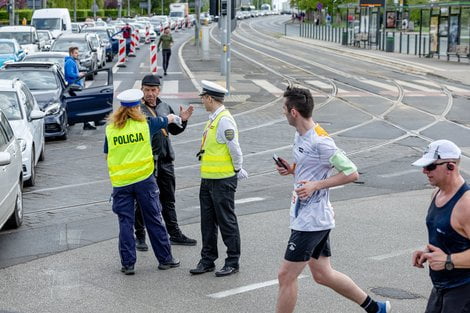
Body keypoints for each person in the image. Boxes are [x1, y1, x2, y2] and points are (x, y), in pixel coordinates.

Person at [274, 86, 391, 313]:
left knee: (285, 276)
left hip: (312, 220)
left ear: (294, 112)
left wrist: (316, 185)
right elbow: (311, 167)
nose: (283, 113)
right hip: (307, 214)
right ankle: (375, 308)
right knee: (322, 274)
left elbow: (352, 172)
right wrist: (292, 169)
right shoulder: (300, 135)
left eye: (284, 109)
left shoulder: (322, 142)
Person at [104, 88, 181, 275]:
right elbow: (167, 119)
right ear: (137, 107)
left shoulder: (110, 129)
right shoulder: (145, 124)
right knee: (154, 218)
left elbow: (107, 154)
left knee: (125, 223)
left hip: (121, 183)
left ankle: (128, 264)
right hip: (144, 180)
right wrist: (177, 118)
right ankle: (165, 259)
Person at [189, 80, 248, 277]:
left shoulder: (224, 120)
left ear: (209, 98)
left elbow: (235, 148)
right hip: (208, 179)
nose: (202, 102)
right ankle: (207, 260)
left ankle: (233, 261)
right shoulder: (213, 118)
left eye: (203, 98)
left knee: (226, 221)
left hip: (222, 180)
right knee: (207, 222)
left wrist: (237, 169)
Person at [134, 74, 197, 251]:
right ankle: (140, 236)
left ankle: (174, 233)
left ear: (158, 90)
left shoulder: (164, 106)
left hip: (166, 161)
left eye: (153, 90)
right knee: (142, 201)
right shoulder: (137, 110)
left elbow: (173, 130)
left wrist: (182, 120)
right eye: (147, 90)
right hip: (146, 162)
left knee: (168, 199)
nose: (150, 94)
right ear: (142, 90)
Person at [411, 140, 470, 313]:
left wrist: (448, 261)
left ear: (450, 166)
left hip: (464, 292)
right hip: (440, 288)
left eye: (430, 167)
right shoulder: (436, 193)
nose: (424, 171)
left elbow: (448, 258)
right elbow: (450, 238)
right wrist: (428, 252)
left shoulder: (466, 205)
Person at [64, 47, 95, 130]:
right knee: (84, 104)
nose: (77, 54)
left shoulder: (72, 61)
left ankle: (87, 122)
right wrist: (78, 75)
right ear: (71, 53)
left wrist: (79, 73)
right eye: (75, 53)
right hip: (74, 87)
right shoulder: (70, 62)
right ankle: (87, 123)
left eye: (77, 53)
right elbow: (69, 74)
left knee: (82, 104)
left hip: (75, 86)